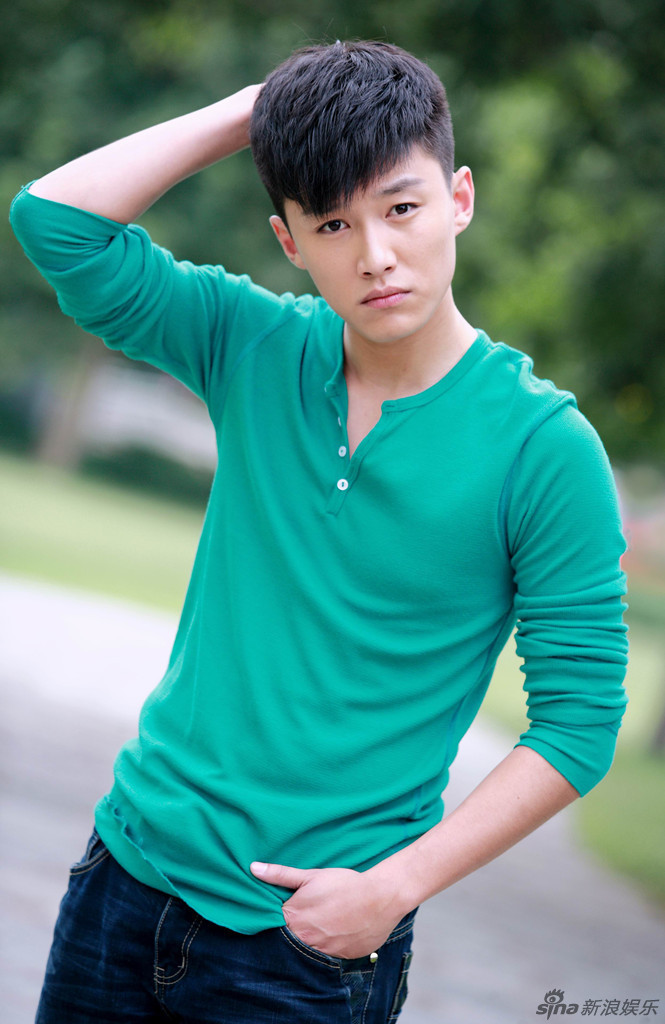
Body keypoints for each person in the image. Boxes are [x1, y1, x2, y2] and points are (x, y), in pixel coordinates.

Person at [10, 39, 628, 1024]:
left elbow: (577, 722)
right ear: (289, 239)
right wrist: (254, 109)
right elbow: (55, 223)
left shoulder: (544, 449)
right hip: (123, 883)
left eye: (400, 208)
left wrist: (392, 888)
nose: (374, 255)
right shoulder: (253, 344)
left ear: (458, 199)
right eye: (333, 223)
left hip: (307, 952)